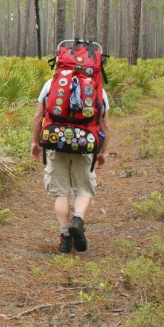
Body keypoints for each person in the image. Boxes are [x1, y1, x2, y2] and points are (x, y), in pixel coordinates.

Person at [30, 77, 109, 253]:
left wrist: (36, 143)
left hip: (56, 142)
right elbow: (104, 124)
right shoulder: (97, 88)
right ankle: (78, 219)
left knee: (61, 192)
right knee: (84, 188)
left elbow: (38, 117)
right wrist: (102, 152)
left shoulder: (52, 84)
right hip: (84, 144)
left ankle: (65, 237)